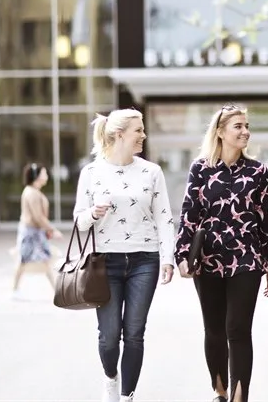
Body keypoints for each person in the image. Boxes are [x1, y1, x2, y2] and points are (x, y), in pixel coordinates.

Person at [175, 104, 268, 402]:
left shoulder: (258, 171)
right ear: (220, 132)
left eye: (246, 126)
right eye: (238, 126)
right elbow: (189, 215)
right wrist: (183, 254)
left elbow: (264, 219)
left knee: (239, 329)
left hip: (247, 260)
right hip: (208, 261)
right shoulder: (200, 168)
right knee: (215, 329)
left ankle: (239, 396)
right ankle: (218, 390)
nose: (245, 131)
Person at [73, 108, 176, 402]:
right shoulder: (91, 173)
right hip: (105, 262)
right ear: (119, 135)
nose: (143, 135)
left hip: (145, 259)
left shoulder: (151, 172)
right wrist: (92, 213)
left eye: (142, 130)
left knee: (133, 333)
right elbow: (79, 223)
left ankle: (128, 396)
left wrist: (167, 257)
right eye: (138, 130)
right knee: (108, 337)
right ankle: (111, 379)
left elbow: (164, 217)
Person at [12, 163, 61, 298]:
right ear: (37, 176)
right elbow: (38, 217)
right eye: (44, 173)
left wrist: (47, 229)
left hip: (35, 232)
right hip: (30, 233)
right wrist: (52, 229)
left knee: (45, 260)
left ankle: (56, 290)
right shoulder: (31, 193)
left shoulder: (34, 191)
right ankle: (14, 290)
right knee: (24, 260)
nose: (46, 176)